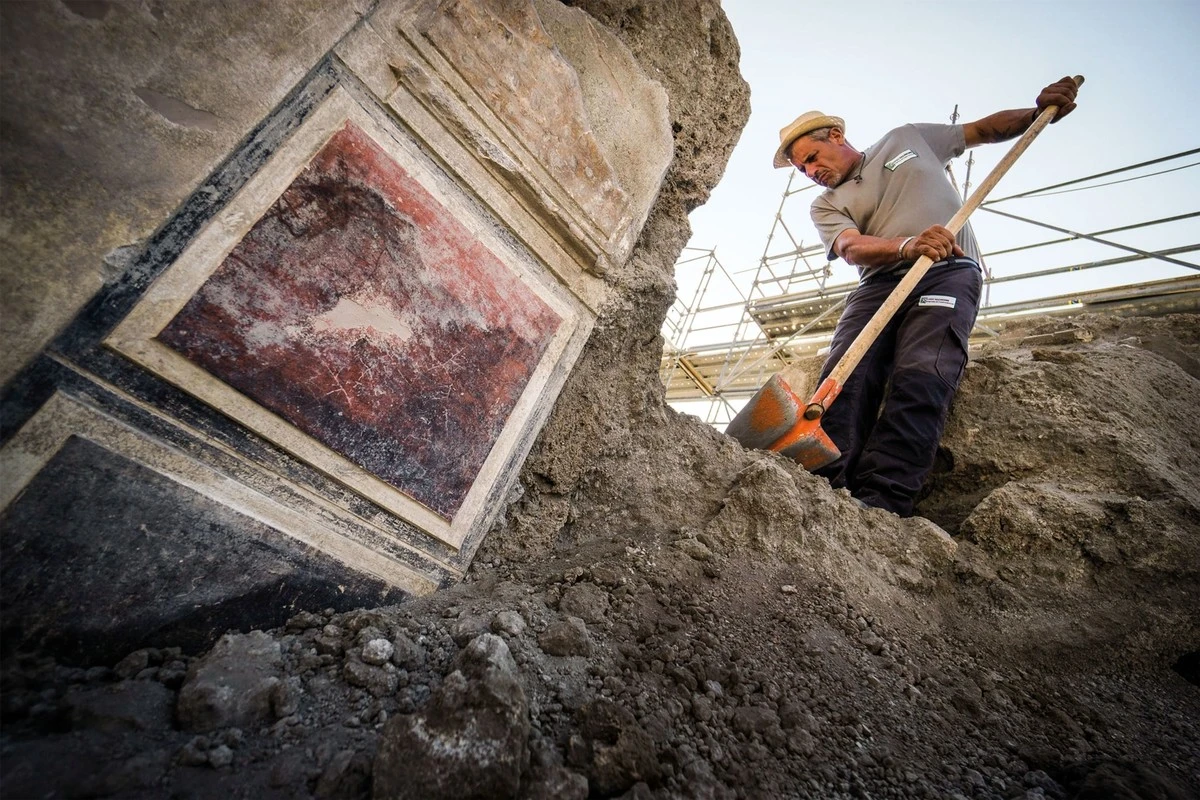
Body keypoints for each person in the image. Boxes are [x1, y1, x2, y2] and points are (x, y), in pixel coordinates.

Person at [772, 77, 1079, 516]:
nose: (811, 172)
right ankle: (828, 490)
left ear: (836, 137)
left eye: (812, 158)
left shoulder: (906, 138)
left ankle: (883, 501)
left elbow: (983, 130)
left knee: (923, 374)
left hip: (947, 272)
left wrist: (1035, 114)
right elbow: (851, 247)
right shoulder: (825, 204)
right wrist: (907, 244)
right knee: (846, 378)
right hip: (879, 285)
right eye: (803, 169)